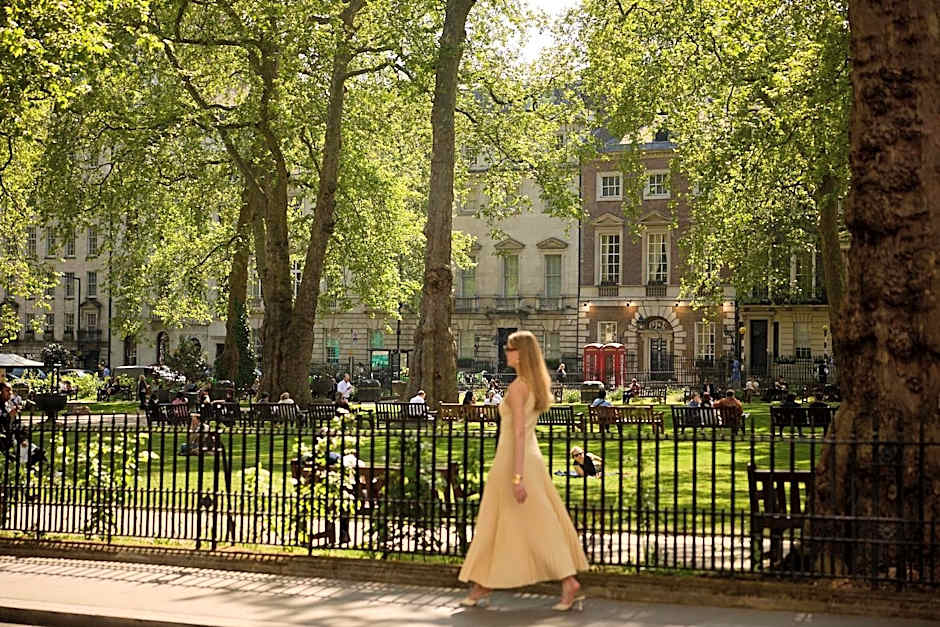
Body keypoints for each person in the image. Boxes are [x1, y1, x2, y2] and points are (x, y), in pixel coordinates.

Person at [458, 330, 587, 611]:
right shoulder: (533, 384)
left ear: (522, 353)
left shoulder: (518, 387)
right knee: (508, 522)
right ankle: (483, 583)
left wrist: (517, 477)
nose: (506, 352)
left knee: (526, 523)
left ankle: (567, 582)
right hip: (529, 458)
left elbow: (517, 433)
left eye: (510, 348)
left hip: (514, 462)